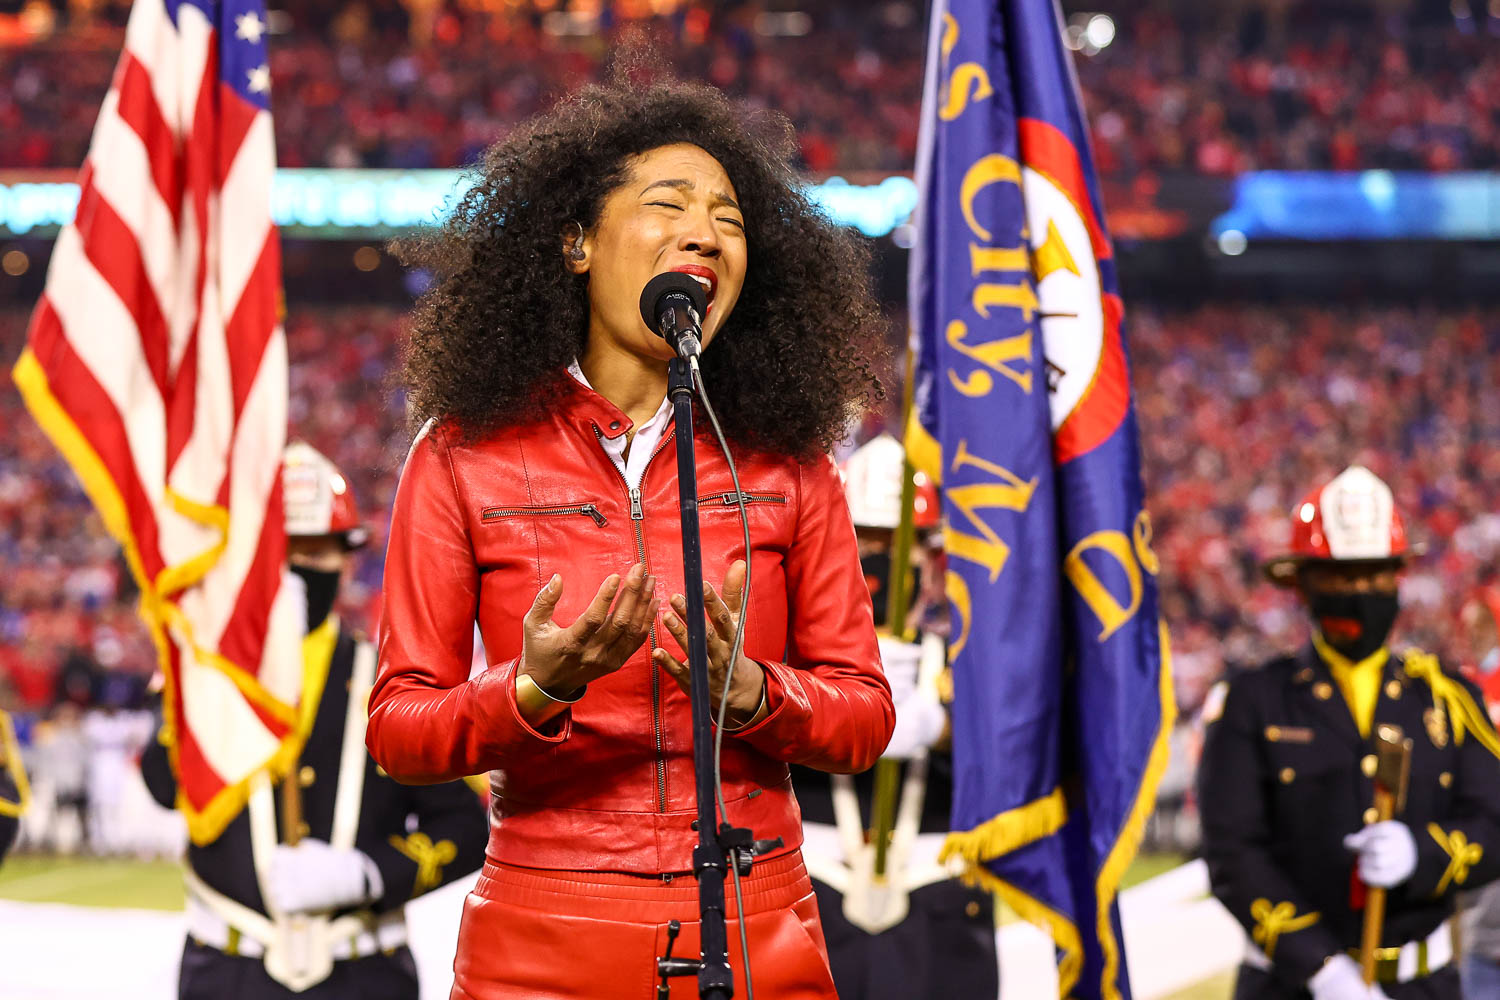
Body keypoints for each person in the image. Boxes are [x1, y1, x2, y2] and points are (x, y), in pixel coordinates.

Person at [365, 76, 895, 999]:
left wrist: (756, 694)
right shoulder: (461, 453)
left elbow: (864, 717)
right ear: (576, 241)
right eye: (669, 203)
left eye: (729, 216)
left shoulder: (790, 459)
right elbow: (399, 728)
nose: (706, 230)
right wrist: (534, 689)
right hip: (541, 937)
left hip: (756, 919)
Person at [142, 441, 487, 999]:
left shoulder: (392, 681)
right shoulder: (205, 670)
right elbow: (163, 783)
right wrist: (208, 667)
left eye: (318, 549)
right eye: (285, 549)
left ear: (347, 558)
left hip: (362, 972)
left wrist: (368, 874)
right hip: (228, 973)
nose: (301, 566)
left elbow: (466, 830)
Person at [1198, 465, 1500, 1000]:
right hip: (1291, 987)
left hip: (1423, 986)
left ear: (1398, 577)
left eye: (1374, 575)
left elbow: (1494, 824)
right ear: (1303, 583)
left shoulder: (1447, 698)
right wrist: (1322, 969)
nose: (1359, 591)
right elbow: (1233, 855)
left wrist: (1423, 854)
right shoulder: (1253, 702)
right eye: (1340, 577)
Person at [793, 432, 998, 1000]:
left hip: (937, 909)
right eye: (865, 541)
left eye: (895, 541)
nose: (880, 559)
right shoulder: (785, 655)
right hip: (818, 891)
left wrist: (943, 727)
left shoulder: (969, 660)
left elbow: (1016, 756)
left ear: (930, 559)